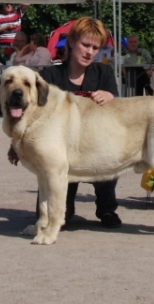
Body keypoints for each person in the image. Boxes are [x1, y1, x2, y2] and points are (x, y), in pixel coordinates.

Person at [38, 17, 121, 228]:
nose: (89, 52)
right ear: (72, 42)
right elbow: (36, 114)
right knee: (56, 215)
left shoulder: (104, 72)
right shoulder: (50, 74)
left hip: (95, 143)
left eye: (95, 47)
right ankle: (61, 211)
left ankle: (107, 209)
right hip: (61, 147)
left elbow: (118, 110)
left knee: (108, 162)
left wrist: (111, 97)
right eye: (86, 45)